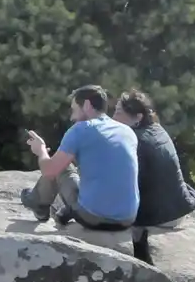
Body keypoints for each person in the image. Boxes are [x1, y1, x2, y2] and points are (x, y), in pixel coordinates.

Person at [21, 84, 138, 230]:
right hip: (128, 218)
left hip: (94, 217)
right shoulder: (127, 131)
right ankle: (55, 207)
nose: (71, 117)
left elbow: (49, 171)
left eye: (74, 110)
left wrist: (41, 150)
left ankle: (38, 205)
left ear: (87, 105)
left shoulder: (80, 129)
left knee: (62, 169)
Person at [113, 89, 195, 263]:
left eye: (118, 112)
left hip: (161, 217)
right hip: (178, 209)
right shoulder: (156, 128)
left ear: (137, 117)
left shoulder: (135, 141)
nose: (113, 117)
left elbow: (126, 187)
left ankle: (141, 257)